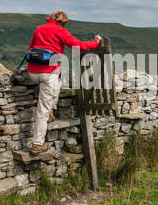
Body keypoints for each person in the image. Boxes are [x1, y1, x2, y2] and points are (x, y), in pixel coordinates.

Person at [27, 10, 102, 154]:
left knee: (58, 83)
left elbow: (30, 48)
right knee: (42, 109)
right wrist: (95, 42)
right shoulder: (60, 31)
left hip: (32, 71)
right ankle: (37, 143)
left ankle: (51, 109)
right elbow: (77, 45)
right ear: (62, 21)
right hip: (48, 72)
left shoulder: (39, 29)